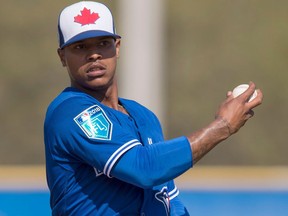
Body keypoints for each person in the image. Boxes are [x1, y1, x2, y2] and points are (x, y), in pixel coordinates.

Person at [44, 1, 263, 215]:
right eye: (80, 46)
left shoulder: (143, 116)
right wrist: (221, 126)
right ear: (62, 56)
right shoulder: (70, 112)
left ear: (117, 47)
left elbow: (166, 196)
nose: (94, 54)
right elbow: (144, 168)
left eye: (103, 43)